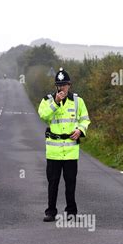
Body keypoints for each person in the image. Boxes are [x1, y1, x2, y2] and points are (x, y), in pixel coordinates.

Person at [37, 68, 91, 222]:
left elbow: (85, 119)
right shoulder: (47, 100)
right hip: (53, 150)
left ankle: (71, 212)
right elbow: (43, 115)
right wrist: (55, 102)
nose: (61, 88)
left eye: (64, 85)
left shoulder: (78, 101)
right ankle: (51, 212)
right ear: (56, 86)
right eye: (59, 85)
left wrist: (80, 130)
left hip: (71, 150)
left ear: (69, 85)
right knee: (53, 182)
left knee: (70, 182)